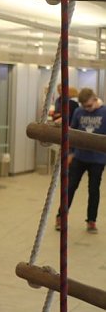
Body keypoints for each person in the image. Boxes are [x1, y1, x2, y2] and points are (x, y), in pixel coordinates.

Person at [55, 87, 106, 234]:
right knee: (70, 187)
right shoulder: (78, 112)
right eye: (85, 107)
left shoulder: (104, 112)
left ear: (96, 100)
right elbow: (71, 134)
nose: (87, 109)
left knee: (94, 190)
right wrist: (70, 153)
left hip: (98, 159)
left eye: (89, 106)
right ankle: (61, 217)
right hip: (80, 156)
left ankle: (91, 220)